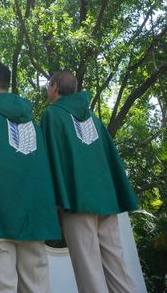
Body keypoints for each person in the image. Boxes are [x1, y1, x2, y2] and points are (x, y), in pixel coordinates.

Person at [0, 61, 61, 293]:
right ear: (7, 84)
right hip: (33, 216)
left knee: (1, 288)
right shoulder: (32, 123)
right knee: (37, 287)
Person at [41, 70, 139, 293]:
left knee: (89, 268)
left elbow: (51, 158)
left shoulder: (52, 115)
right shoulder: (93, 117)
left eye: (49, 85)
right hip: (107, 199)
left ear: (55, 86)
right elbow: (107, 156)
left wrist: (57, 201)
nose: (47, 90)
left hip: (78, 201)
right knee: (117, 264)